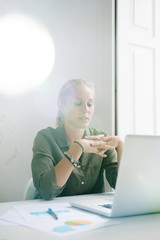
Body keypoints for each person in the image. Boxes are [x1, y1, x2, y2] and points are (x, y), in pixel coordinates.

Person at [31, 79, 123, 200]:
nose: (85, 109)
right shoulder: (45, 138)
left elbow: (121, 187)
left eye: (89, 104)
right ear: (61, 106)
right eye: (77, 103)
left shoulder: (102, 138)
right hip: (51, 213)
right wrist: (77, 148)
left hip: (90, 214)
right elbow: (47, 190)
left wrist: (121, 146)